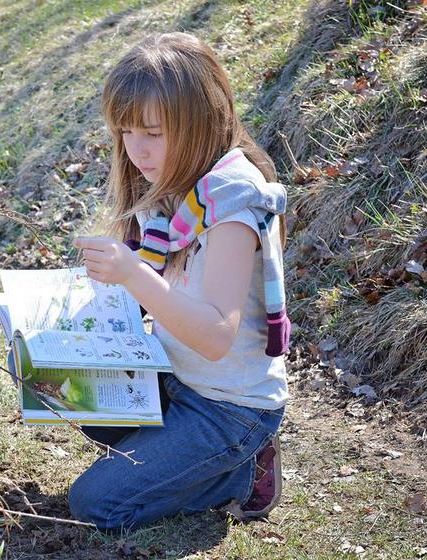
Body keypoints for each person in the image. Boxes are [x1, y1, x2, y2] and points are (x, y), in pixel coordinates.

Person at [67, 32, 291, 531]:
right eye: (125, 132)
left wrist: (134, 275)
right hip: (174, 378)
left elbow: (215, 336)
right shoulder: (172, 187)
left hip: (228, 408)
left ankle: (240, 472)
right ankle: (178, 459)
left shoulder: (232, 204)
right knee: (62, 383)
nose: (136, 151)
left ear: (200, 123)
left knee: (95, 504)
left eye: (153, 132)